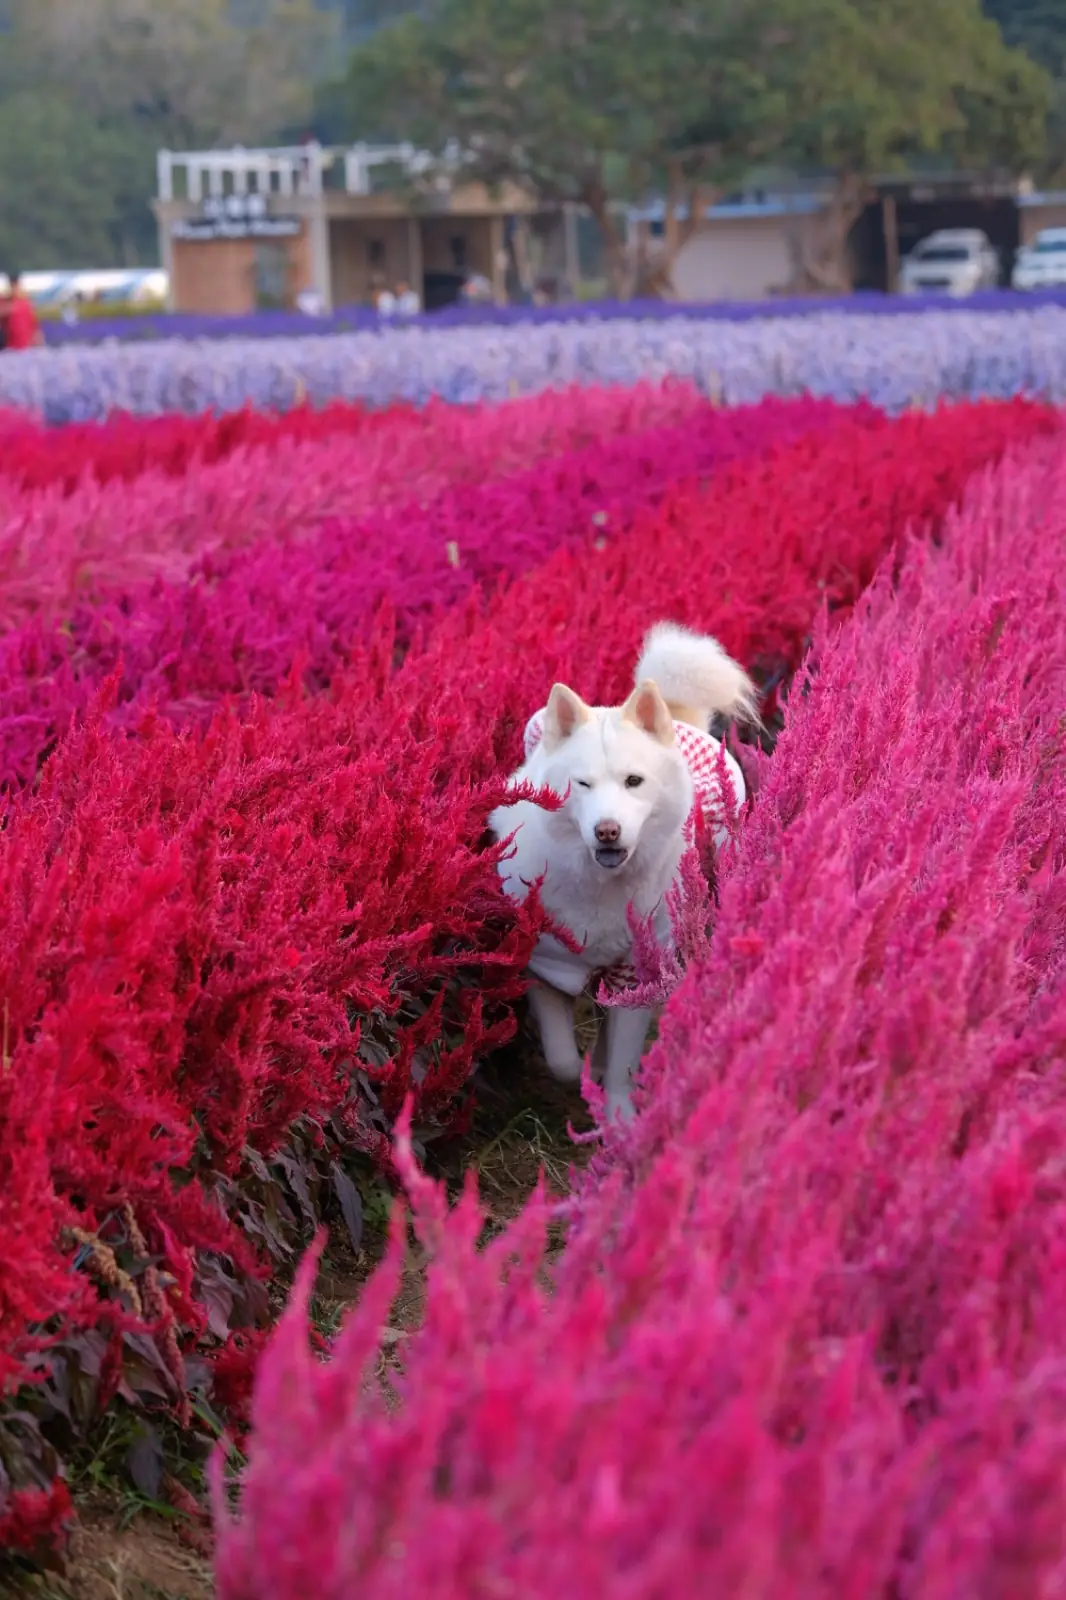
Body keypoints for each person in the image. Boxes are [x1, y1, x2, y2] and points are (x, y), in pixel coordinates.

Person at [0, 273, 43, 350]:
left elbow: (33, 323)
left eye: (16, 286)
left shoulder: (25, 302)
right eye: (12, 286)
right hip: (10, 344)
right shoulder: (4, 301)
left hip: (25, 344)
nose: (14, 289)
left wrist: (37, 337)